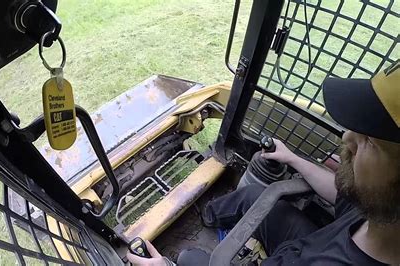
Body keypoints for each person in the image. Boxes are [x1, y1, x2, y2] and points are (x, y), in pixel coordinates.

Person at [127, 61, 400, 266]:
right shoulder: (381, 209)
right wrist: (291, 158)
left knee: (189, 259)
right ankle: (207, 215)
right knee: (254, 197)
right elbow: (343, 193)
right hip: (311, 243)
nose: (347, 138)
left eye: (370, 142)